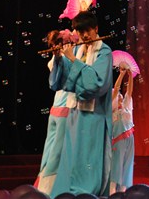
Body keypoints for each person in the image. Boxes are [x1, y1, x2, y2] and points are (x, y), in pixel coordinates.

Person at [49, 12, 113, 197]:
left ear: (96, 29)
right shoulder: (77, 50)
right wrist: (59, 58)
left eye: (88, 30)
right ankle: (67, 192)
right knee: (72, 156)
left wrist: (73, 61)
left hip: (94, 115)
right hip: (75, 113)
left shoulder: (104, 52)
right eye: (80, 31)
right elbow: (63, 82)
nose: (85, 35)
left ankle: (87, 193)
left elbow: (95, 85)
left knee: (89, 157)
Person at [35, 30, 71, 194]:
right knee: (55, 152)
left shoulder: (54, 60)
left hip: (55, 108)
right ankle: (46, 188)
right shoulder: (62, 59)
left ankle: (43, 182)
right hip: (64, 109)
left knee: (50, 149)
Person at [109, 66, 135, 194]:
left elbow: (129, 91)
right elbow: (116, 88)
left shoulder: (127, 106)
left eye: (120, 95)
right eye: (117, 95)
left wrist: (130, 76)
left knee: (128, 162)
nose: (119, 96)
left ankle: (124, 188)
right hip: (118, 138)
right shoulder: (112, 110)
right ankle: (112, 187)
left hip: (129, 138)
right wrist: (121, 74)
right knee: (117, 162)